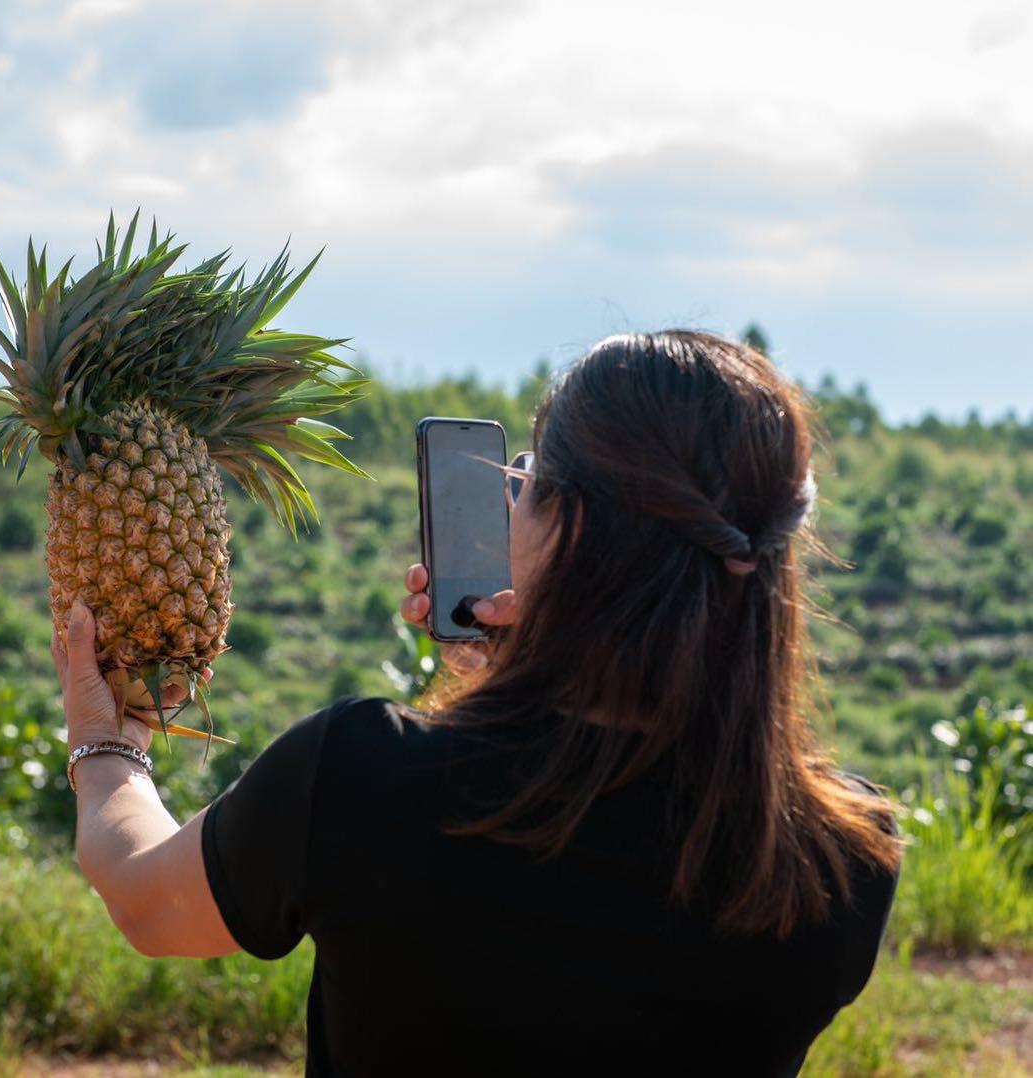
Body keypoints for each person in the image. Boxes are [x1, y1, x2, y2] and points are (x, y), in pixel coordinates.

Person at [54, 330, 904, 1078]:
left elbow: (145, 900)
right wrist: (535, 668)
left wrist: (108, 744)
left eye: (527, 480)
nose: (512, 502)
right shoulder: (844, 862)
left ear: (570, 525)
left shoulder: (365, 778)